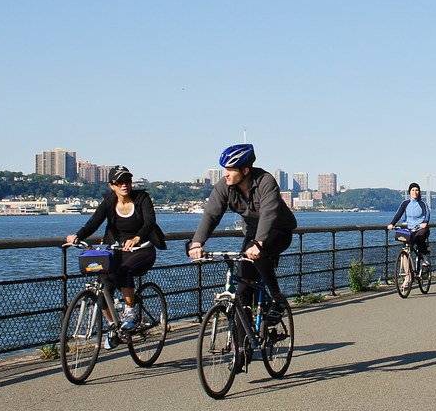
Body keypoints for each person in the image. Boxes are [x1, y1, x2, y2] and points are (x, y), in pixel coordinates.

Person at [187, 144, 297, 330]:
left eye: (230, 169)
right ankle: (242, 349)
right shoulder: (225, 186)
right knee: (243, 287)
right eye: (225, 169)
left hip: (279, 231)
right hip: (253, 234)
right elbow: (211, 214)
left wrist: (259, 243)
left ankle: (277, 299)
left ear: (245, 170)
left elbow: (269, 213)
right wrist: (197, 243)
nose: (226, 174)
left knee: (257, 254)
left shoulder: (265, 181)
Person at [64, 165, 165, 350]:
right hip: (118, 251)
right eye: (120, 182)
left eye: (127, 181)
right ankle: (113, 327)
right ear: (112, 186)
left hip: (143, 249)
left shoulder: (141, 198)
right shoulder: (109, 201)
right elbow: (94, 221)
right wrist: (78, 236)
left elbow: (150, 221)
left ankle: (131, 312)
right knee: (104, 285)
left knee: (126, 271)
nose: (125, 185)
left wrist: (137, 238)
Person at [388, 182, 431, 287]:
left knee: (420, 237)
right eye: (412, 190)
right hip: (409, 229)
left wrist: (425, 222)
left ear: (419, 192)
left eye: (417, 190)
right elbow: (399, 213)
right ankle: (407, 277)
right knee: (405, 251)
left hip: (420, 228)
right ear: (409, 192)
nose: (415, 192)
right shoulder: (405, 203)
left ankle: (425, 258)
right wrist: (392, 223)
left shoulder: (422, 203)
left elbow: (427, 213)